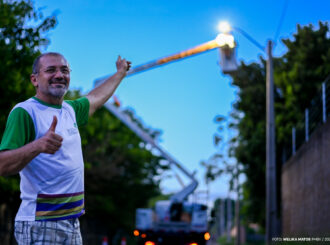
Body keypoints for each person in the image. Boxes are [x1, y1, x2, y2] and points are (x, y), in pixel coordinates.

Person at [0, 52, 131, 244]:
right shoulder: (25, 112)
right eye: (51, 70)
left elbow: (96, 96)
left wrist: (120, 73)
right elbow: (2, 166)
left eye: (65, 70)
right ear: (34, 79)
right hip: (41, 223)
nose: (60, 75)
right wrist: (38, 146)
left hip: (72, 221)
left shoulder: (70, 110)